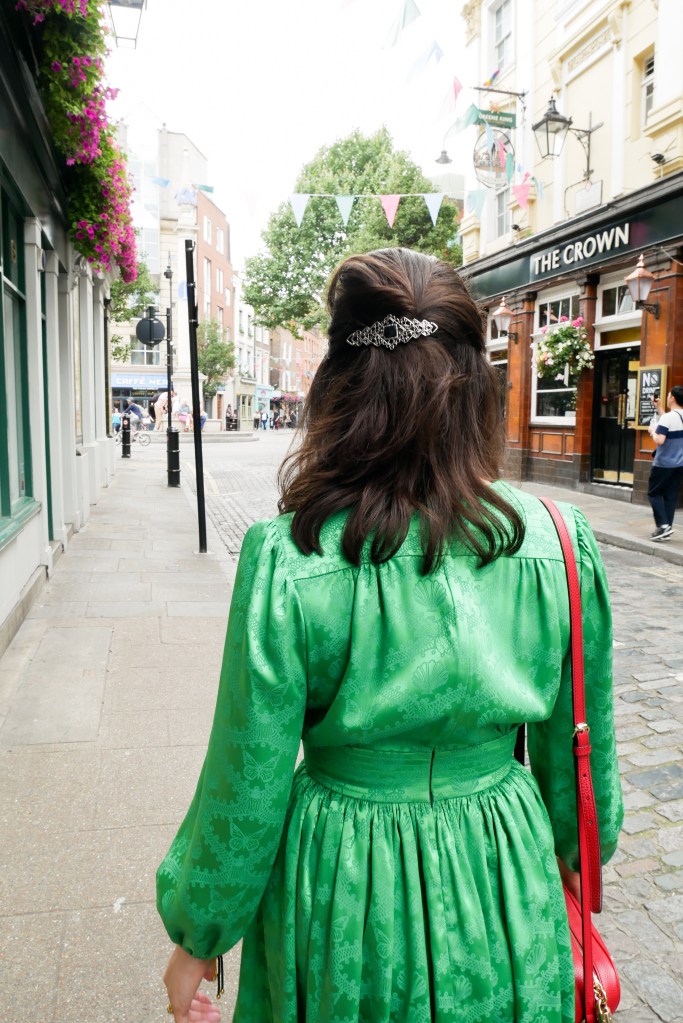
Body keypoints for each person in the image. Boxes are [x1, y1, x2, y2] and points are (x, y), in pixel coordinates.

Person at [157, 248, 623, 1023]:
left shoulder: (288, 557)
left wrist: (198, 934)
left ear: (338, 387)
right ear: (474, 388)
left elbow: (246, 781)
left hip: (344, 877)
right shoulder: (558, 540)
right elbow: (584, 767)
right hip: (501, 867)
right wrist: (570, 859)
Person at [647, 383, 683, 541]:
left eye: (668, 395)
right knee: (670, 496)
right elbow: (670, 420)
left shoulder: (668, 418)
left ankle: (662, 525)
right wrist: (659, 407)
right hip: (679, 464)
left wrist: (652, 431)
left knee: (653, 493)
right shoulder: (675, 416)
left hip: (663, 464)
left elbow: (660, 440)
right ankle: (666, 528)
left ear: (672, 398)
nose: (667, 398)